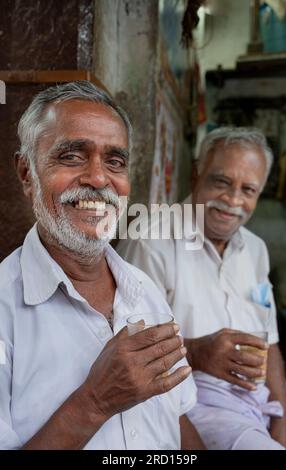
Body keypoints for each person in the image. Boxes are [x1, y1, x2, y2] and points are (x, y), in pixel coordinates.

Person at [0, 81, 204, 450]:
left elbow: (177, 415)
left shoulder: (144, 290)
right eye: (72, 156)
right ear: (27, 173)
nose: (98, 179)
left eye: (115, 162)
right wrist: (94, 403)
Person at [118, 127, 286, 450]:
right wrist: (198, 353)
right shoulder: (152, 240)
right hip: (196, 399)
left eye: (248, 189)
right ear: (196, 175)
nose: (233, 201)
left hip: (261, 393)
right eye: (222, 182)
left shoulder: (256, 249)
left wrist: (283, 421)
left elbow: (270, 344)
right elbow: (126, 351)